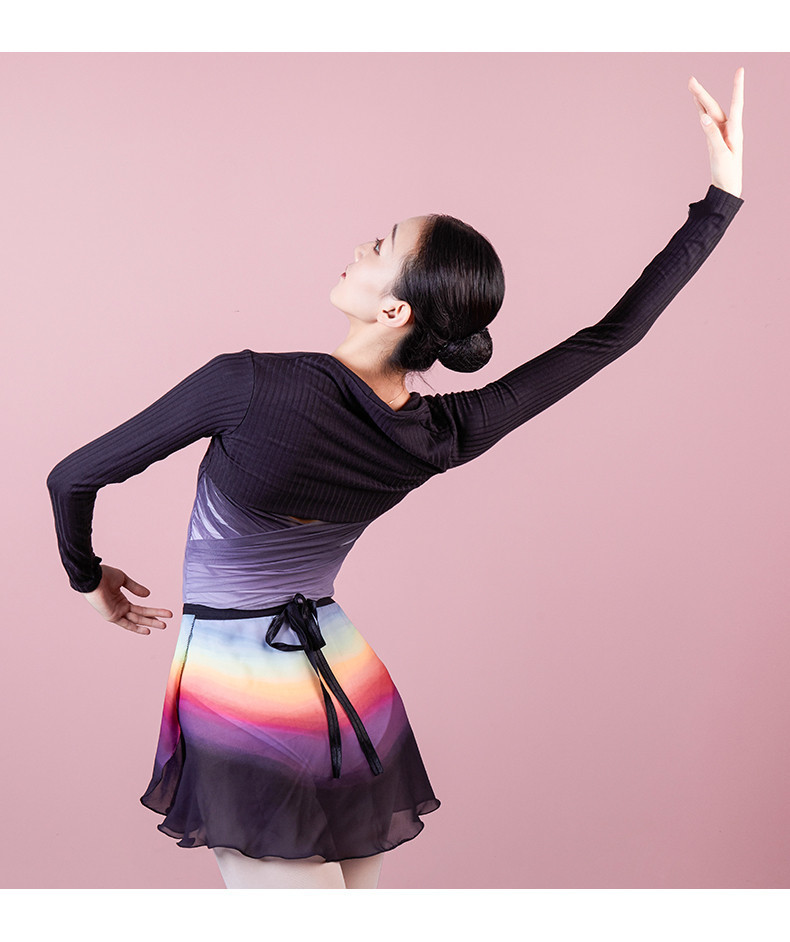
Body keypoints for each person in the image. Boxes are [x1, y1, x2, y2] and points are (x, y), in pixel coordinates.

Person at [46, 69, 745, 890]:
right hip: (347, 684)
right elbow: (609, 337)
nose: (360, 248)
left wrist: (89, 580)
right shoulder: (443, 433)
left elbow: (72, 478)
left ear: (394, 311)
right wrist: (721, 200)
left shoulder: (246, 384)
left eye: (380, 248)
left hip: (237, 690)